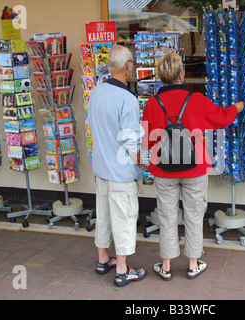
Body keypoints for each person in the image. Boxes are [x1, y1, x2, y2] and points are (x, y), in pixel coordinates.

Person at [142, 53, 245, 280]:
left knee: (167, 216)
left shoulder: (151, 103)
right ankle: (192, 264)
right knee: (194, 215)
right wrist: (235, 108)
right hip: (194, 168)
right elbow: (221, 118)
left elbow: (147, 140)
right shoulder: (197, 99)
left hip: (163, 170)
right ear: (182, 75)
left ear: (161, 77)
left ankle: (166, 266)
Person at [86, 44, 147, 287]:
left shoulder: (96, 92)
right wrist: (144, 166)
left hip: (101, 169)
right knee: (123, 219)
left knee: (104, 218)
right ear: (128, 66)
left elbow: (92, 125)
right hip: (121, 173)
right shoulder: (128, 99)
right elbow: (132, 143)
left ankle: (103, 260)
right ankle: (122, 270)